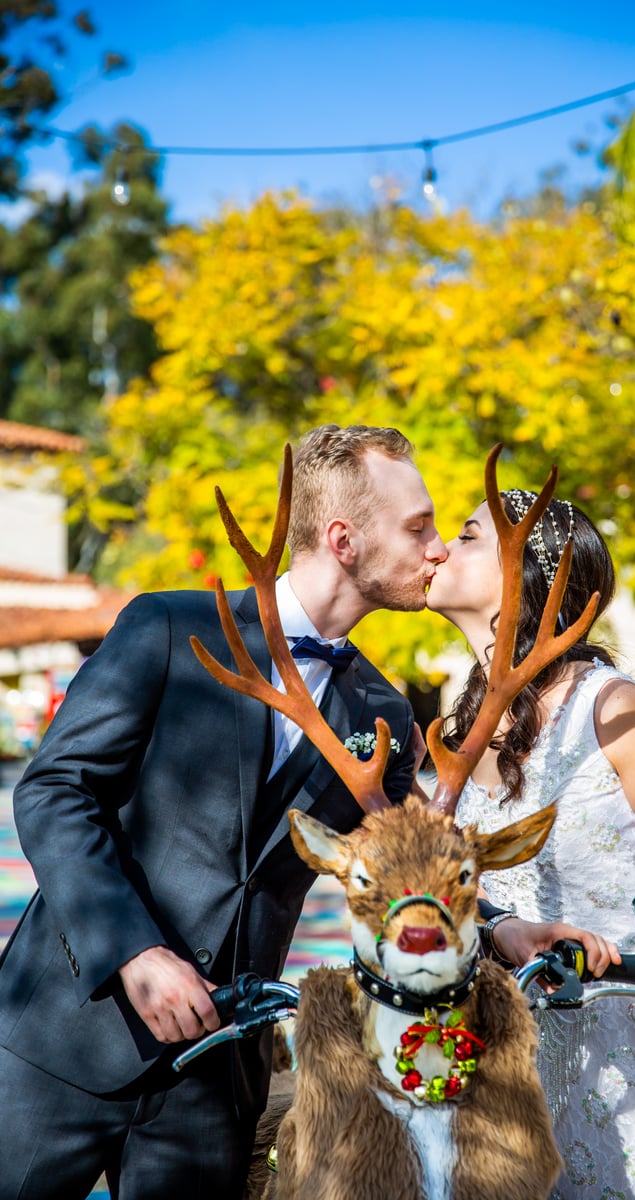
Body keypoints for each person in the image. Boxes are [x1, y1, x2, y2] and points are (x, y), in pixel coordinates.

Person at [0, 424, 449, 1200]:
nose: (439, 548)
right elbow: (52, 790)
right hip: (61, 1038)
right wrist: (136, 954)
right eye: (419, 527)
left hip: (215, 1083)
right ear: (342, 539)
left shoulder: (382, 709)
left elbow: (418, 863)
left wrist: (510, 924)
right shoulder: (169, 628)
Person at [426, 484, 635, 1200]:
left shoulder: (611, 708)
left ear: (529, 576)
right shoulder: (454, 735)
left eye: (468, 534)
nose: (440, 547)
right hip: (509, 1070)